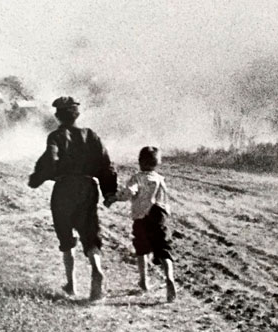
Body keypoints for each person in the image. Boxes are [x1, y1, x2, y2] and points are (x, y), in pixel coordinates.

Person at [28, 97, 118, 301]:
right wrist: (109, 192)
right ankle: (96, 268)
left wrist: (37, 179)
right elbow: (106, 164)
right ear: (77, 114)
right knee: (90, 232)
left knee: (65, 236)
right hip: (88, 187)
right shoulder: (91, 135)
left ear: (58, 116)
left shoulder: (56, 136)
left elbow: (50, 160)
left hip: (64, 188)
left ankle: (71, 284)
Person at [108, 146, 177, 302]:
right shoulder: (160, 179)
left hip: (141, 219)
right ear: (157, 163)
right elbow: (165, 199)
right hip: (159, 217)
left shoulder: (136, 178)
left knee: (141, 249)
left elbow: (129, 193)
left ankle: (144, 281)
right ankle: (169, 278)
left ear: (139, 162)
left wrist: (116, 197)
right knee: (164, 249)